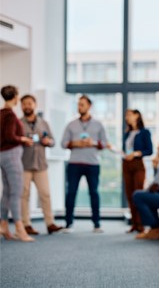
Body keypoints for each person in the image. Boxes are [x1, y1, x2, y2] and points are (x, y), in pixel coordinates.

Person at [61, 95, 108, 233]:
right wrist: (75, 143)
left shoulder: (99, 125)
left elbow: (104, 143)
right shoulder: (71, 125)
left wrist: (92, 143)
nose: (79, 107)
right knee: (71, 193)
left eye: (82, 104)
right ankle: (68, 224)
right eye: (78, 104)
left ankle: (97, 224)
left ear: (89, 106)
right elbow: (63, 143)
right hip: (74, 163)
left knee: (94, 193)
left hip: (92, 164)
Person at [20, 94, 63, 235]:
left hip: (40, 165)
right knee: (24, 195)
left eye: (29, 103)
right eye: (24, 104)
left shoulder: (43, 123)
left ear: (35, 104)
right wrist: (23, 141)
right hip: (24, 164)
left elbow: (52, 141)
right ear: (21, 106)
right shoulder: (18, 123)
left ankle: (50, 223)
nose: (27, 106)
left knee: (45, 194)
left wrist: (48, 142)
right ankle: (26, 224)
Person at [0, 85, 34, 242]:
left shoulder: (1, 113)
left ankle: (4, 225)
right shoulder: (10, 115)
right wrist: (24, 139)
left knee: (7, 191)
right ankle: (20, 228)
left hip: (3, 155)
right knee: (16, 192)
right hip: (11, 155)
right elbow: (9, 136)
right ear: (15, 97)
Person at [122, 109, 153, 233]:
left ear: (137, 116)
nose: (127, 117)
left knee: (137, 193)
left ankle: (141, 223)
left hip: (138, 164)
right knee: (129, 194)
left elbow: (149, 150)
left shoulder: (145, 132)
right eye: (126, 115)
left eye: (129, 114)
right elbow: (125, 148)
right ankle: (134, 223)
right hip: (126, 163)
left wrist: (135, 153)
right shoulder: (127, 133)